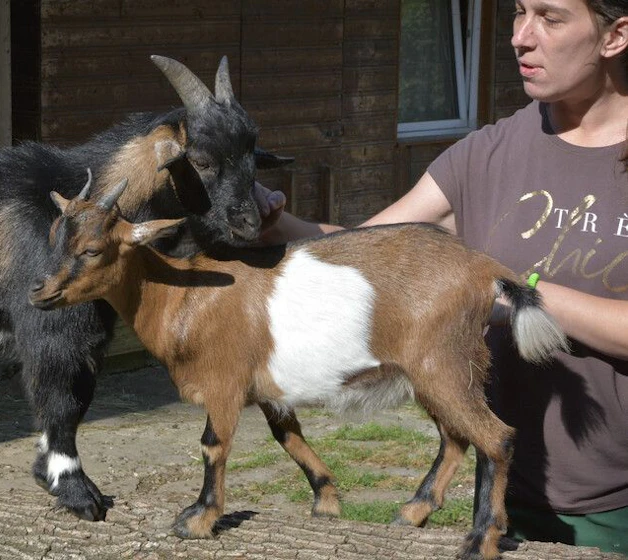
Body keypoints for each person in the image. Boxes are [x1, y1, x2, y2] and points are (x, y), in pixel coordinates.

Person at [255, 0, 628, 553]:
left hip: (614, 503)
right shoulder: (486, 152)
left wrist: (506, 287)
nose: (520, 38)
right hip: (502, 490)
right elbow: (368, 251)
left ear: (615, 36)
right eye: (519, 12)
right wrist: (274, 220)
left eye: (550, 18)